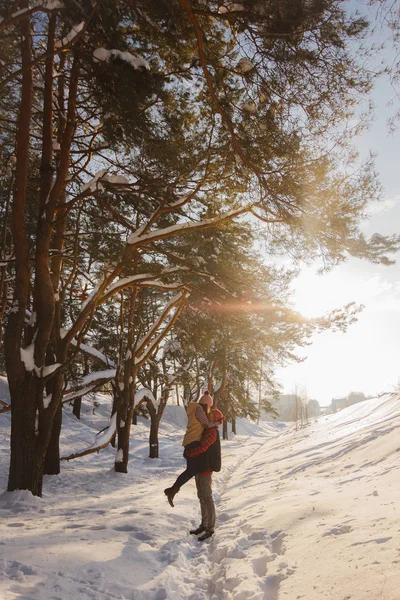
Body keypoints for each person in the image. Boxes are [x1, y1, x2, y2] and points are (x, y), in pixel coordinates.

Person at [163, 391, 220, 508]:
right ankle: (172, 490)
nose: (209, 409)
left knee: (192, 469)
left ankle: (173, 490)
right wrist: (215, 425)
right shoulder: (199, 409)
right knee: (191, 470)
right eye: (209, 406)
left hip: (190, 440)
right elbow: (206, 424)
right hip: (193, 441)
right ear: (206, 404)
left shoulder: (195, 408)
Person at [185, 408, 224, 541]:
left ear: (215, 419)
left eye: (211, 415)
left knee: (207, 498)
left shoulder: (212, 432)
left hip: (205, 470)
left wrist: (190, 453)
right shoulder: (208, 429)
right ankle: (204, 524)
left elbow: (203, 447)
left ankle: (210, 528)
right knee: (202, 496)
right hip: (201, 468)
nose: (209, 416)